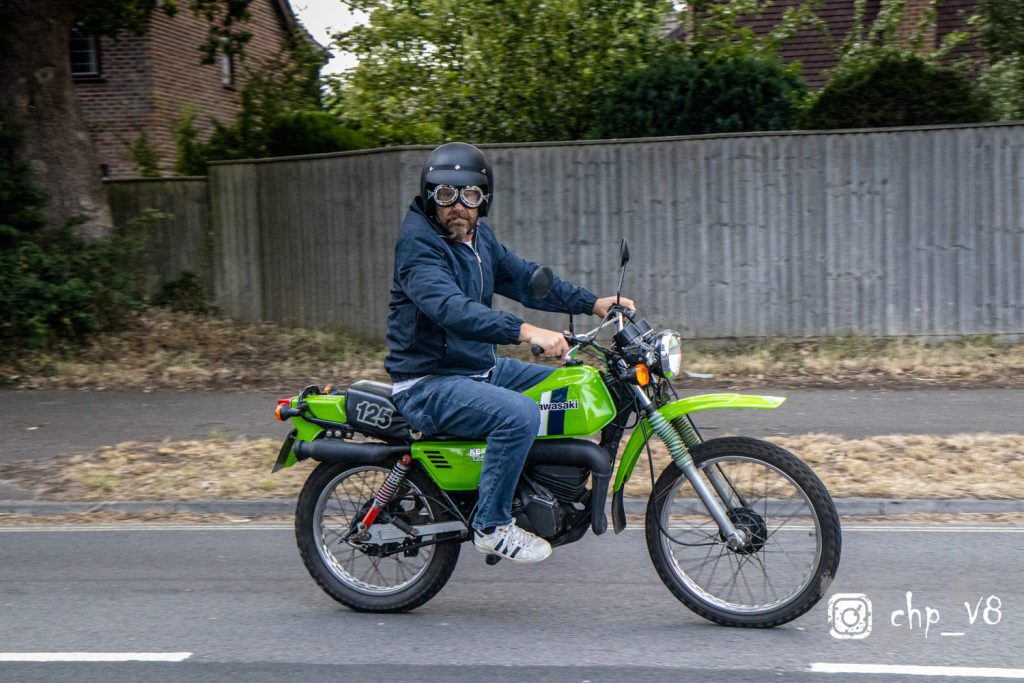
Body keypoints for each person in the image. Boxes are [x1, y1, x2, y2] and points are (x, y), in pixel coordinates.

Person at [385, 142, 633, 564]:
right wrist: (526, 330)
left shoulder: (478, 237)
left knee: (575, 381)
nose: (459, 207)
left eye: (470, 196)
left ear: (485, 200)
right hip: (429, 382)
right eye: (447, 196)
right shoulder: (419, 246)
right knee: (518, 414)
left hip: (476, 369)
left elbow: (526, 280)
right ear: (431, 197)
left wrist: (593, 303)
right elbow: (452, 310)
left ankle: (537, 491)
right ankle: (492, 524)